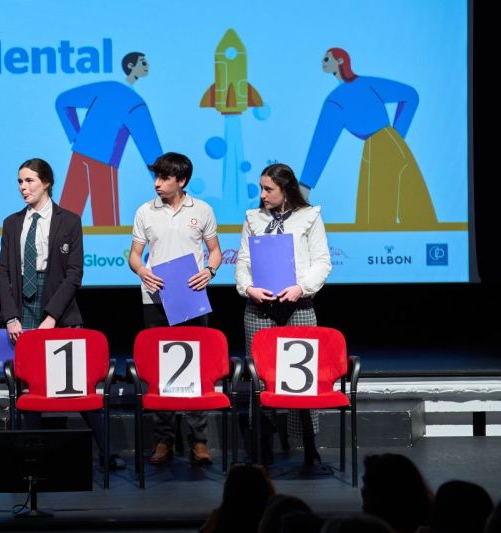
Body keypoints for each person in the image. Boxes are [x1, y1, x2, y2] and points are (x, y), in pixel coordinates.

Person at [0, 157, 124, 470]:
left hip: (58, 306)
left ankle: (106, 452)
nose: (23, 187)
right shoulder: (12, 223)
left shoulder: (69, 221)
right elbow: (4, 271)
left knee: (76, 382)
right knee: (30, 385)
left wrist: (52, 316)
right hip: (22, 306)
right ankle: (31, 454)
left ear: (47, 183)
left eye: (29, 181)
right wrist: (11, 316)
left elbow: (74, 273)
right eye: (20, 181)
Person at [128, 151, 222, 465]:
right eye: (155, 176)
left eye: (164, 177)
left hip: (191, 299)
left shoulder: (203, 210)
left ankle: (199, 441)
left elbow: (215, 251)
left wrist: (209, 272)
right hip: (156, 300)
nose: (157, 183)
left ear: (181, 180)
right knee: (160, 369)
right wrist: (142, 271)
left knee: (195, 367)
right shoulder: (145, 211)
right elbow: (135, 255)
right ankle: (164, 440)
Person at [235, 163, 332, 468]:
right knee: (260, 378)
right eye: (261, 188)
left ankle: (309, 446)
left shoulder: (309, 217)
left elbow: (322, 261)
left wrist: (301, 287)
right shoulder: (254, 219)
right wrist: (248, 288)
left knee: (302, 378)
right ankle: (262, 445)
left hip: (298, 306)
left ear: (286, 190)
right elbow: (243, 261)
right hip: (260, 308)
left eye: (268, 189)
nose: (262, 194)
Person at [299, 47, 437, 226]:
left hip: (378, 149)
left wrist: (305, 185)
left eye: (326, 59)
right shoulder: (366, 84)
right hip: (396, 146)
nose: (322, 62)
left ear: (340, 61)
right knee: (420, 217)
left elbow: (322, 142)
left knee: (375, 224)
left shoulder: (336, 100)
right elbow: (411, 95)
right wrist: (396, 138)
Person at [56, 51, 163, 226]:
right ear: (130, 66)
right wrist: (163, 179)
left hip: (81, 154)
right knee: (106, 224)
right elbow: (149, 146)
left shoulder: (109, 88)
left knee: (66, 216)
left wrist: (76, 137)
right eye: (143, 63)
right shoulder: (135, 103)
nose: (148, 66)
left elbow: (62, 101)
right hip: (104, 161)